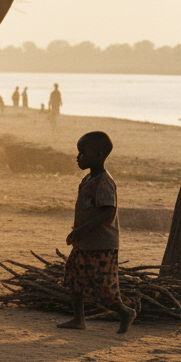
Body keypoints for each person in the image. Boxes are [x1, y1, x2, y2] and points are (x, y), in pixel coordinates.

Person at [58, 131, 136, 333]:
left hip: (102, 245)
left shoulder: (104, 181)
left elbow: (108, 213)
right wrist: (78, 233)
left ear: (99, 155)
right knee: (74, 279)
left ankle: (125, 312)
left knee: (104, 288)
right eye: (79, 153)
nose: (78, 157)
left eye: (83, 153)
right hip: (84, 243)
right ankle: (78, 319)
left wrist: (81, 229)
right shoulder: (88, 178)